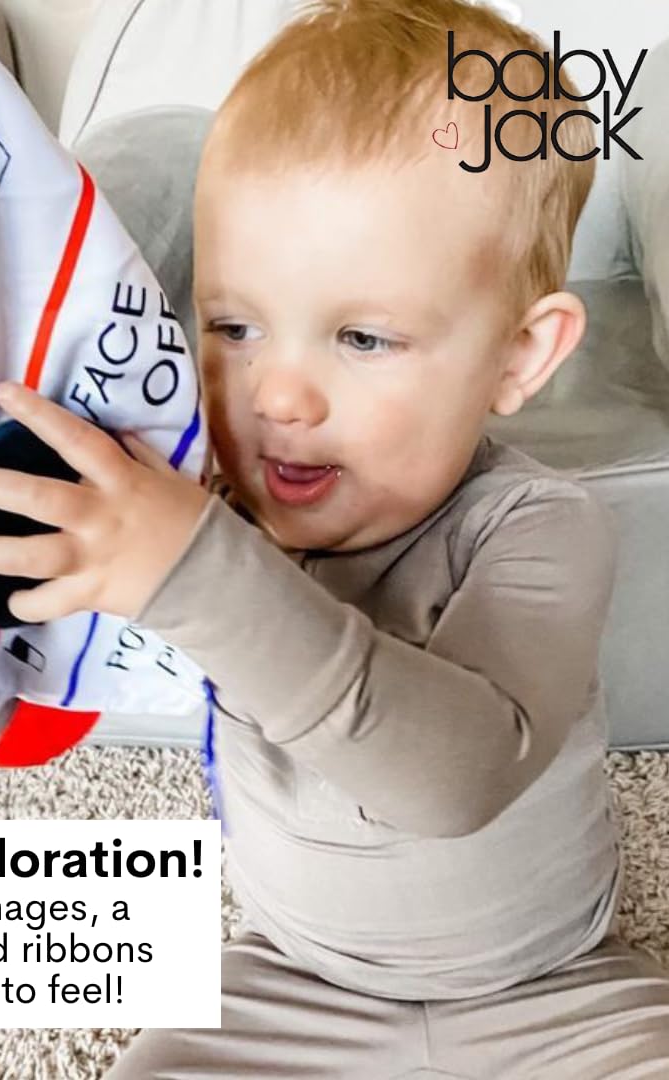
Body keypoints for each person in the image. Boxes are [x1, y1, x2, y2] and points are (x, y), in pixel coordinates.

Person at [86, 0, 669, 1075]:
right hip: (289, 982)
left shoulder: (539, 529)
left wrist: (197, 573)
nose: (279, 395)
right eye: (234, 326)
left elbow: (458, 780)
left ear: (519, 357)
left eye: (361, 337)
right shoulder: (206, 502)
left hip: (550, 990)